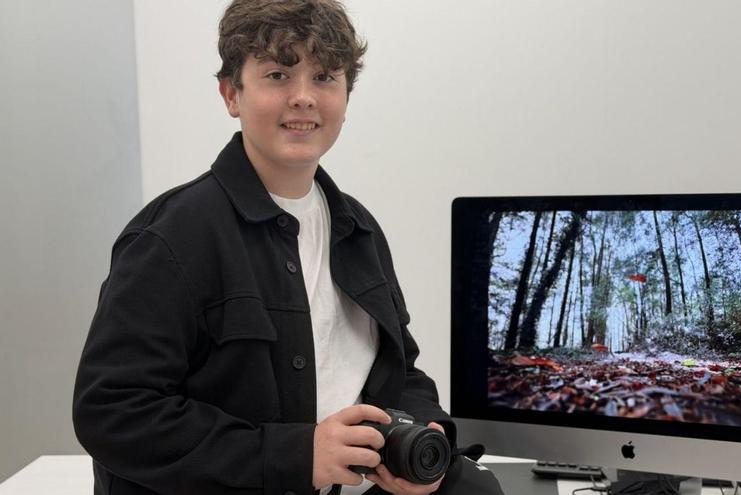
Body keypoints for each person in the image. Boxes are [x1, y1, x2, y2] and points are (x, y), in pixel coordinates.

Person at [72, 1, 504, 494]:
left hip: (350, 487)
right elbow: (111, 412)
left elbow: (400, 371)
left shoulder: (358, 229)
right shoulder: (169, 238)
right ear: (231, 94)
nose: (303, 98)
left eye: (324, 77)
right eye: (278, 75)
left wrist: (427, 434)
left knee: (473, 488)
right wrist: (297, 455)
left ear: (345, 95)